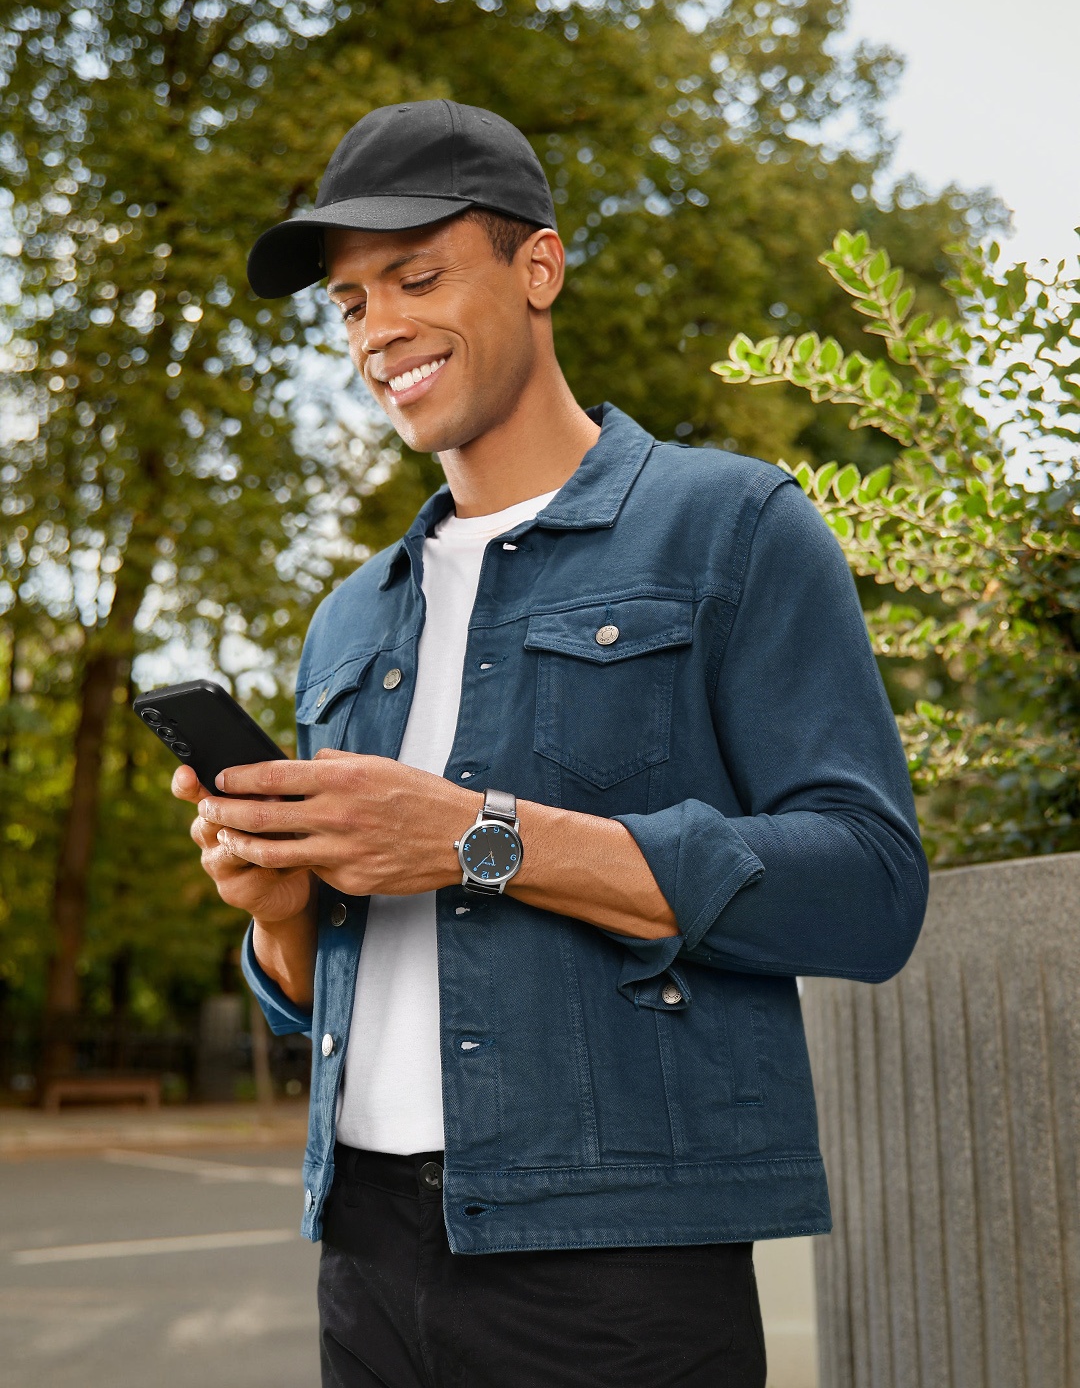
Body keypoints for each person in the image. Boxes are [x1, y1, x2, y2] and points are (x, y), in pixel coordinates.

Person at [172, 99, 929, 1387]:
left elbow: (867, 889)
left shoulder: (732, 526)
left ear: (540, 266)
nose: (379, 331)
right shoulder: (352, 616)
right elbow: (326, 991)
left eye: (415, 276)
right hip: (361, 1254)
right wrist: (281, 916)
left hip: (615, 1266)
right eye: (350, 304)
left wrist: (482, 838)